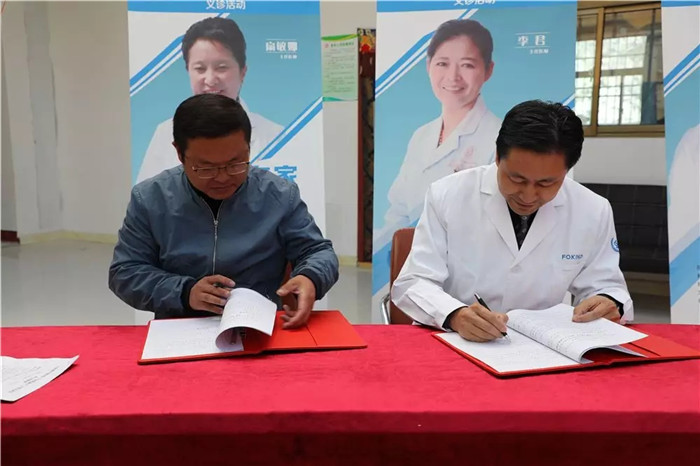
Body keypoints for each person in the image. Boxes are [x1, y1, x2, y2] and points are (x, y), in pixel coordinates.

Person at [392, 100, 633, 342]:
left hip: (545, 346)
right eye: (517, 179)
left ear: (567, 170)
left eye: (546, 183)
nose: (528, 196)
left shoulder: (592, 209)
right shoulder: (447, 194)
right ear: (498, 157)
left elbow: (607, 286)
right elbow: (414, 281)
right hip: (457, 340)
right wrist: (454, 315)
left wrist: (610, 302)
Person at [110, 94, 338, 328]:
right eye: (206, 168)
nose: (222, 178)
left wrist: (310, 277)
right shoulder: (150, 199)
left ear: (249, 147)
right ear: (179, 153)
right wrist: (185, 292)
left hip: (258, 328)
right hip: (179, 327)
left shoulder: (279, 195)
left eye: (234, 164)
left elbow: (318, 251)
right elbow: (125, 272)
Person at [383, 19, 502, 230]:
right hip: (411, 248)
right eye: (442, 64)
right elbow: (398, 211)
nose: (453, 77)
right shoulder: (421, 135)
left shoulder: (499, 138)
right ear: (428, 66)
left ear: (488, 70)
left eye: (467, 65)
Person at [136, 16, 283, 184]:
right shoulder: (165, 133)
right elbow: (149, 197)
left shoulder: (275, 135)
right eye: (200, 68)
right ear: (188, 71)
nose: (210, 80)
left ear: (242, 71)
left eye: (221, 67)